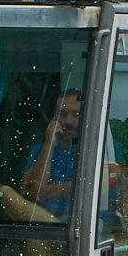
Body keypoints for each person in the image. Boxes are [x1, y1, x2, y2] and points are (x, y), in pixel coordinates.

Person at [20, 89, 83, 218]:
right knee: (4, 192)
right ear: (54, 117)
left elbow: (93, 185)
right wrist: (49, 145)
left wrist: (47, 192)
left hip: (80, 218)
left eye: (76, 115)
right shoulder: (41, 149)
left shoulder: (96, 147)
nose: (69, 121)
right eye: (63, 115)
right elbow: (31, 194)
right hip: (40, 216)